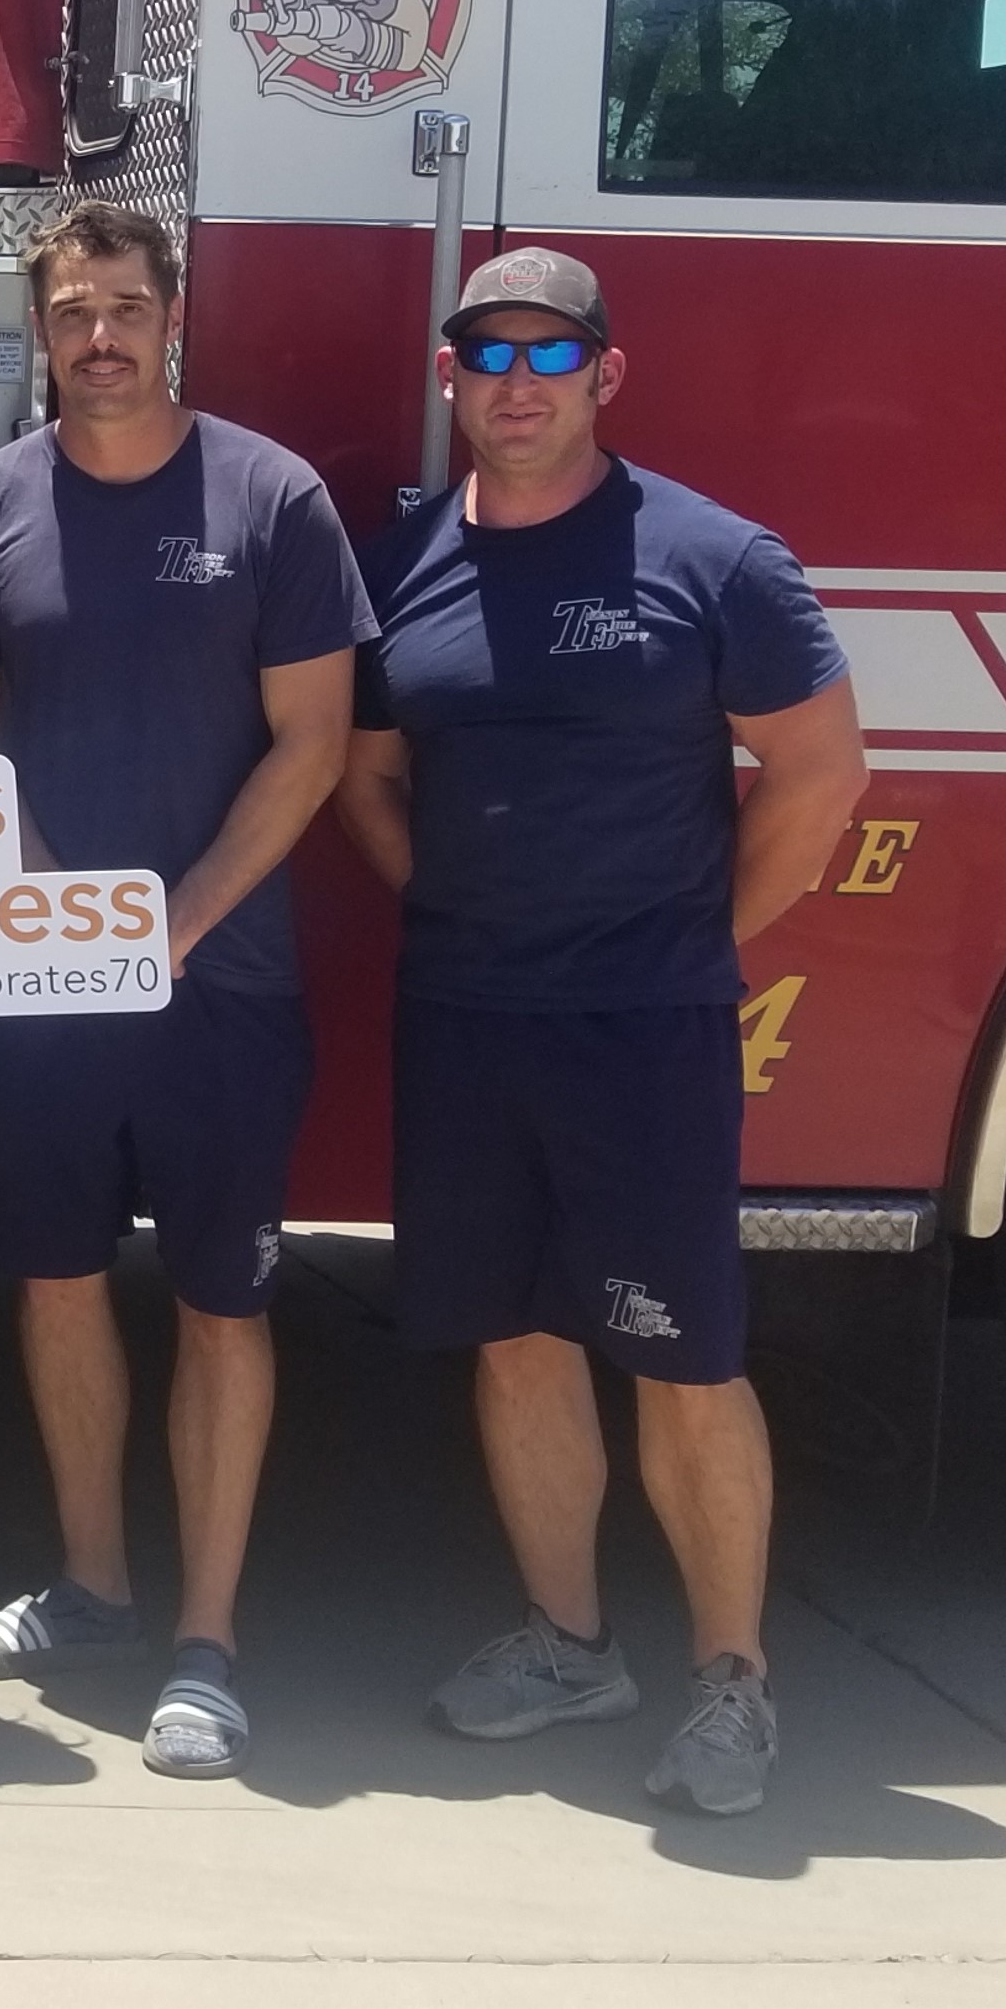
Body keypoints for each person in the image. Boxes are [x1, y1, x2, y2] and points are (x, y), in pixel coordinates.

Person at [338, 247, 865, 1819]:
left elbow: (820, 773)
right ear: (449, 378)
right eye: (485, 356)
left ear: (605, 379)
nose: (514, 384)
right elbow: (367, 774)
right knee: (515, 1334)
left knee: (684, 1353)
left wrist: (693, 936)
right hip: (467, 1016)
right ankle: (574, 1641)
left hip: (645, 1026)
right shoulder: (407, 553)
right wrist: (447, 901)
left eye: (549, 359)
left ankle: (732, 1675)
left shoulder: (715, 558)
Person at [0, 198, 371, 1782]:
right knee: (51, 1279)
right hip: (45, 984)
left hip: (223, 980)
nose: (97, 334)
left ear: (171, 314)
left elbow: (313, 744)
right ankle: (95, 1585)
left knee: (222, 1301)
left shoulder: (273, 497)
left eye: (123, 304)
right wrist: (57, 905)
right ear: (37, 327)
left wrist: (169, 922)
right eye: (69, 309)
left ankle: (209, 1640)